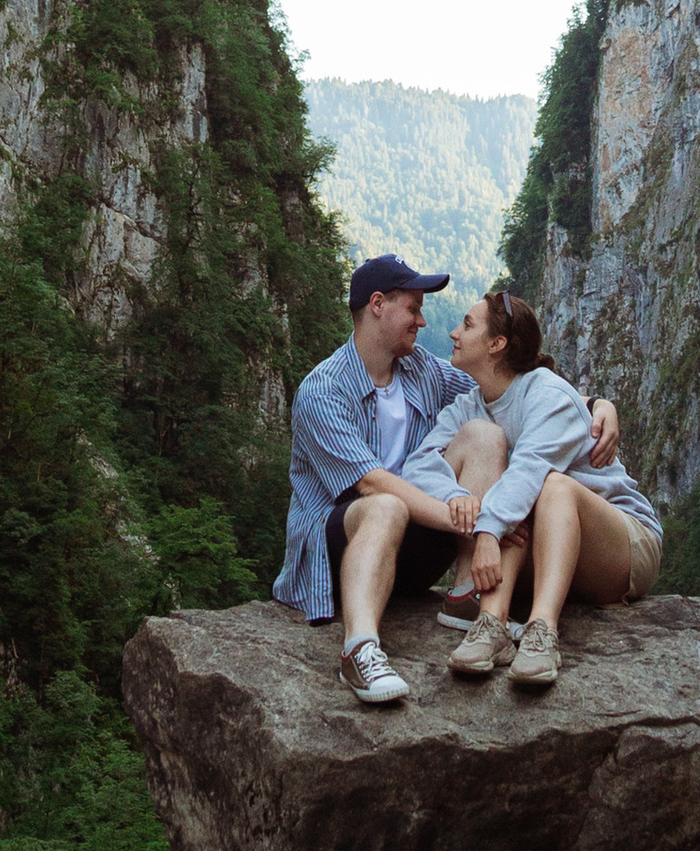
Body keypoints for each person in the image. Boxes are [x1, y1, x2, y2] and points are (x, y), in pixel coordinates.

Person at [277, 254, 622, 705]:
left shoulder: (421, 369)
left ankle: (466, 597)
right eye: (414, 308)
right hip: (346, 544)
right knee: (386, 504)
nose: (423, 321)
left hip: (414, 542)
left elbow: (504, 388)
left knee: (483, 435)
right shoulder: (322, 390)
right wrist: (476, 523)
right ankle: (359, 649)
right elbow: (370, 484)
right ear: (378, 304)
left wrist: (595, 403)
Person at [405, 286, 662, 688]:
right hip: (548, 552)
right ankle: (491, 623)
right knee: (488, 453)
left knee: (549, 486)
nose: (454, 333)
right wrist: (458, 498)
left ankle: (543, 630)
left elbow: (528, 471)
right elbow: (420, 465)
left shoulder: (547, 393)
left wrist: (488, 528)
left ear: (497, 344)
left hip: (622, 546)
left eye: (467, 325)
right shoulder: (469, 405)